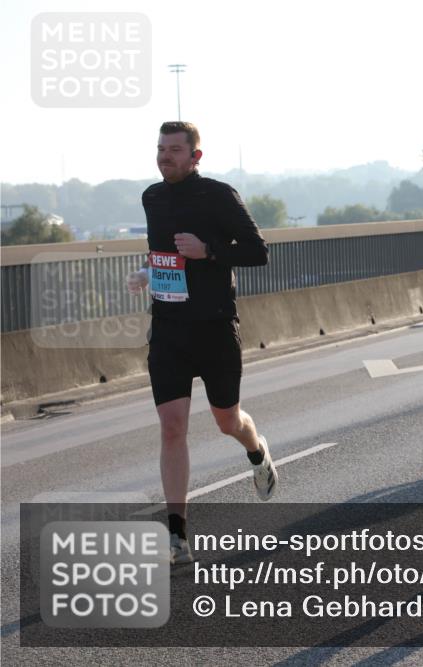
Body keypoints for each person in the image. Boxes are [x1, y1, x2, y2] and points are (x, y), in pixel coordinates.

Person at [125, 121, 274, 565]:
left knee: (227, 421)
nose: (164, 156)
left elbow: (257, 251)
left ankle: (257, 450)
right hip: (169, 330)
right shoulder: (152, 197)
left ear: (195, 156)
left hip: (214, 328)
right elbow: (166, 257)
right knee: (172, 428)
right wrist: (147, 273)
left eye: (174, 149)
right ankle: (177, 537)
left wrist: (208, 251)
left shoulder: (218, 195)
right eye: (160, 148)